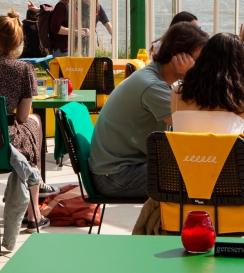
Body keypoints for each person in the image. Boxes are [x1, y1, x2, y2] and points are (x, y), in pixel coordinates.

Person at [88, 22, 209, 199]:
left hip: (122, 168)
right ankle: (171, 226)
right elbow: (191, 125)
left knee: (200, 172)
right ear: (179, 57)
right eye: (198, 60)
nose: (201, 66)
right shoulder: (152, 86)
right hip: (115, 176)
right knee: (199, 179)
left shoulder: (156, 78)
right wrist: (191, 76)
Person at [0, 8, 57, 233]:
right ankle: (34, 211)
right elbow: (22, 116)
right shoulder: (23, 69)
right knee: (33, 123)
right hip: (1, 145)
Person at [172, 32, 244, 142]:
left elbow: (197, 127)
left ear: (203, 58)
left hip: (184, 159)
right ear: (242, 63)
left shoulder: (177, 94)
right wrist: (237, 130)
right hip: (226, 159)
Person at [48, 0, 112, 57]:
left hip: (76, 48)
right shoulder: (65, 5)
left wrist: (82, 29)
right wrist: (76, 32)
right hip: (64, 49)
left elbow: (106, 22)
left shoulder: (93, 7)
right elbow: (55, 26)